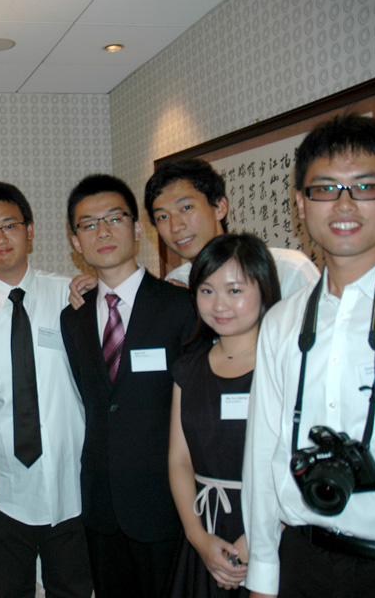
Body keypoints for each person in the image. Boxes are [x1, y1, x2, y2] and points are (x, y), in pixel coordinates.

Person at [242, 114, 375, 598]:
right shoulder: (283, 321)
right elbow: (264, 454)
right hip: (303, 559)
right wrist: (262, 574)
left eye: (364, 186)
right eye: (325, 189)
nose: (344, 204)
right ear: (300, 204)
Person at [60, 173, 196, 598]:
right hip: (101, 505)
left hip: (166, 504)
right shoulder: (73, 320)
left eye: (115, 218)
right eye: (88, 224)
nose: (103, 231)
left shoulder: (181, 306)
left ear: (137, 229)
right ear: (76, 242)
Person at [0, 182, 92, 598]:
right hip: (3, 492)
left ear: (31, 230)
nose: (0, 239)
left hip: (70, 487)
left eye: (10, 226)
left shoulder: (71, 296)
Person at [167, 233, 281, 598]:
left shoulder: (284, 363)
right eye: (206, 290)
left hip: (274, 529)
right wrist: (197, 536)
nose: (219, 305)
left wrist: (258, 536)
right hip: (206, 531)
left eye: (235, 290)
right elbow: (179, 460)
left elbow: (295, 461)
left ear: (263, 289)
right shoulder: (188, 367)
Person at [143, 158, 319, 296]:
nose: (176, 226)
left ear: (220, 207)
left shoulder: (287, 270)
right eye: (163, 217)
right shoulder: (177, 283)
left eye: (187, 208)